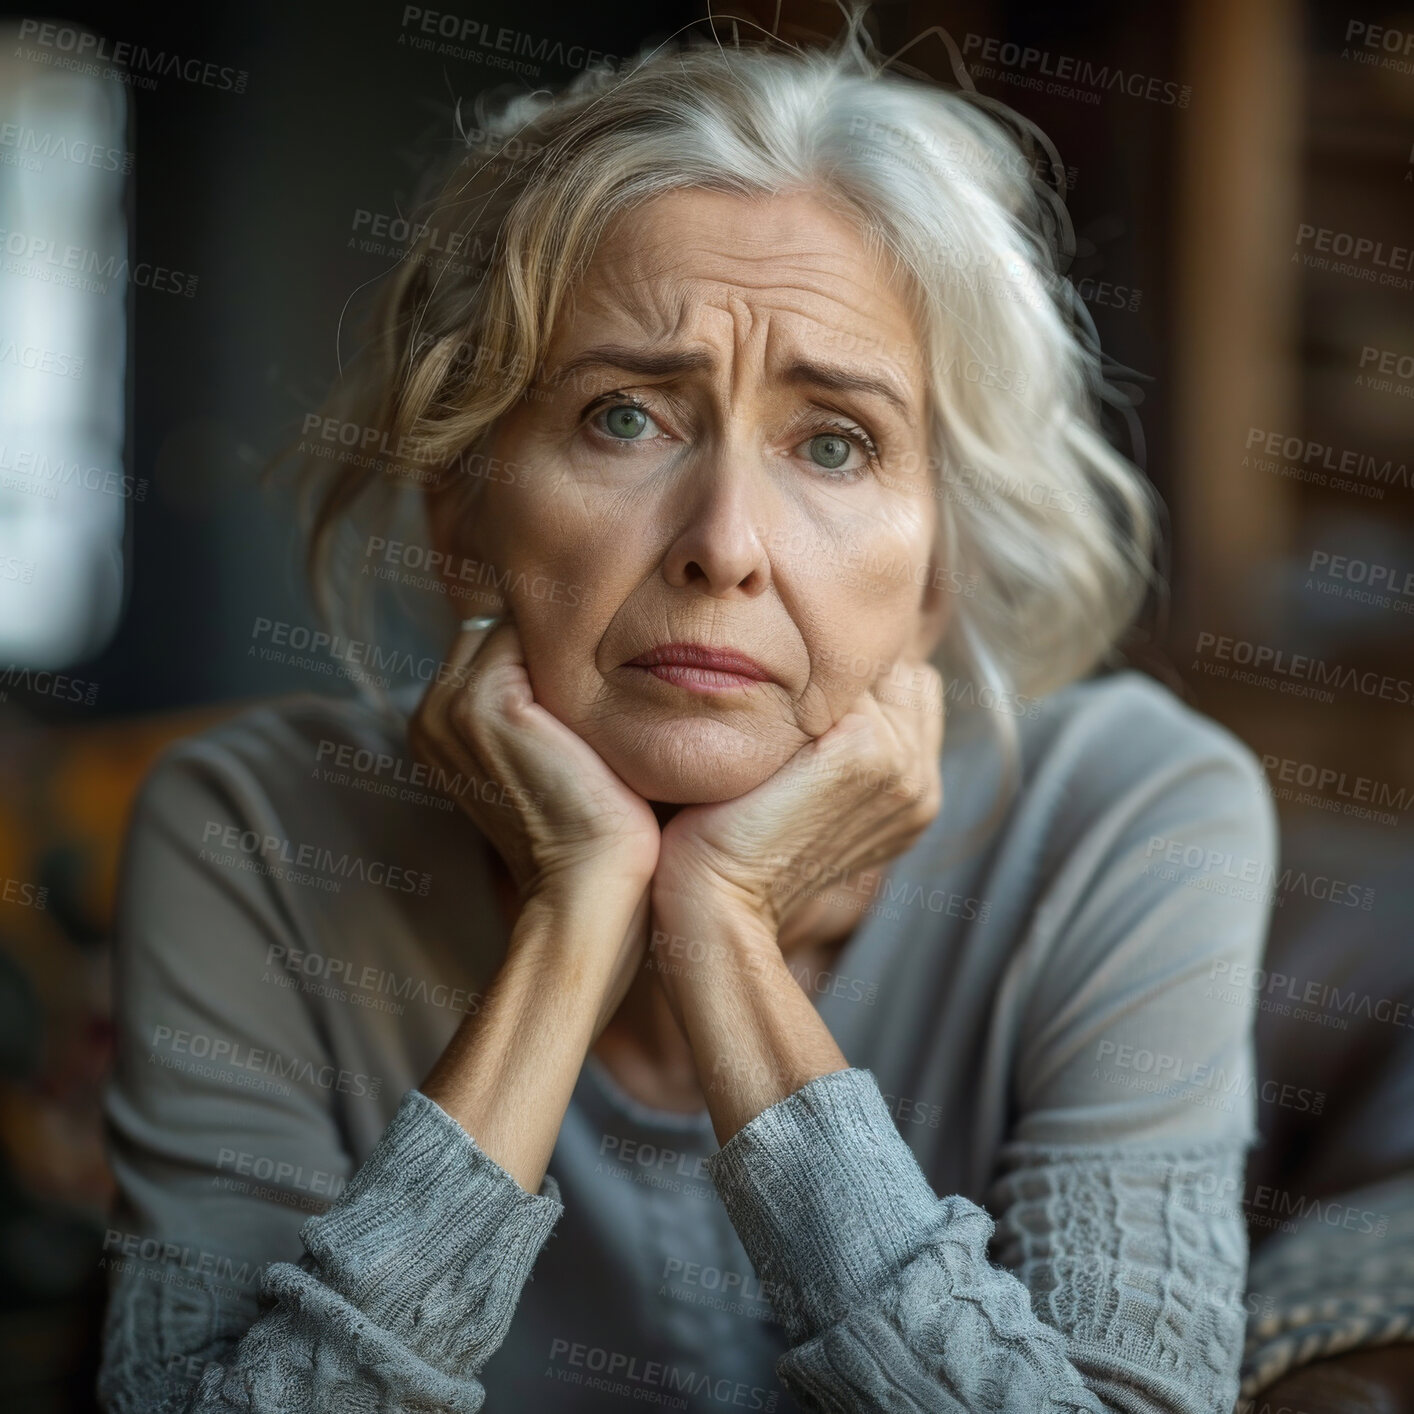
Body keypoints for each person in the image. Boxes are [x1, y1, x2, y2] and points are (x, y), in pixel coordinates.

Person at [96, 14, 1277, 1413]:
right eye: (623, 417)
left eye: (832, 442)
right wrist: (575, 916)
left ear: (938, 576)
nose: (724, 542)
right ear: (458, 514)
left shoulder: (1134, 816)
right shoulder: (252, 833)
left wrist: (721, 932)